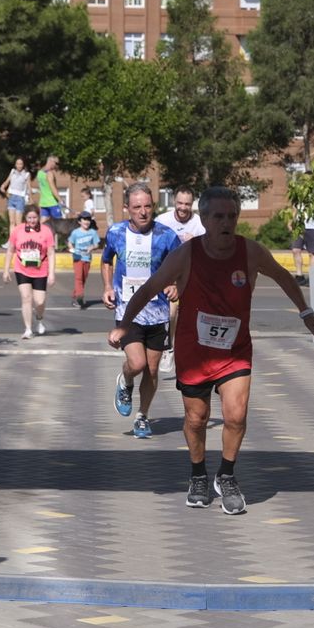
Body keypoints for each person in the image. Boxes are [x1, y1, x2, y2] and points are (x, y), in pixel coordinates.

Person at [112, 186, 314, 515]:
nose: (226, 223)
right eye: (218, 217)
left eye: (232, 216)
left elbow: (283, 276)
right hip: (194, 351)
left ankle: (226, 475)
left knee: (236, 416)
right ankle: (198, 475)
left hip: (234, 351)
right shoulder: (187, 254)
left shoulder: (250, 252)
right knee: (196, 419)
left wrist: (306, 313)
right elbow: (151, 287)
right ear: (205, 219)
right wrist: (125, 325)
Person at [101, 184, 183, 438]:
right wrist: (107, 287)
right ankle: (125, 381)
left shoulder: (167, 236)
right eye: (137, 207)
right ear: (127, 208)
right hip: (128, 312)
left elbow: (182, 266)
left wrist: (176, 285)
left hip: (157, 312)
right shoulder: (115, 233)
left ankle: (142, 417)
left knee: (153, 369)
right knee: (136, 364)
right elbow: (106, 260)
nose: (143, 212)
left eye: (147, 206)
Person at [155, 187, 206, 373]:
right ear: (174, 202)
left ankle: (195, 353)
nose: (183, 208)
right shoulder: (162, 221)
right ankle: (169, 348)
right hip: (171, 274)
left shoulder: (199, 224)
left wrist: (197, 241)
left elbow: (211, 249)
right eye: (180, 203)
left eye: (187, 204)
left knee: (194, 315)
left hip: (193, 274)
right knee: (171, 313)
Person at [3, 205, 56, 339]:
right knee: (26, 298)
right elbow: (10, 250)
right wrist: (6, 270)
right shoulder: (18, 230)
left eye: (35, 217)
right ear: (25, 218)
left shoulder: (46, 231)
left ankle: (39, 318)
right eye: (29, 218)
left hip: (40, 270)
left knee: (39, 301)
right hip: (22, 269)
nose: (32, 220)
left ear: (39, 217)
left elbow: (51, 253)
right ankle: (28, 329)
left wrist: (51, 273)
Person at [67, 211, 101, 310]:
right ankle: (80, 297)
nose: (86, 221)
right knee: (78, 278)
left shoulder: (93, 232)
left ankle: (75, 296)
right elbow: (70, 242)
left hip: (87, 258)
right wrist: (71, 249)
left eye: (88, 220)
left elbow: (97, 244)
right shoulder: (75, 232)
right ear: (79, 221)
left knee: (83, 279)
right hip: (78, 258)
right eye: (84, 219)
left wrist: (92, 247)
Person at [290, 209, 314, 282]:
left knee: (312, 253)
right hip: (299, 226)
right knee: (295, 250)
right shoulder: (299, 198)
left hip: (313, 227)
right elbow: (295, 208)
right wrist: (291, 221)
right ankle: (299, 275)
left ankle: (312, 277)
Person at [0, 157, 32, 228]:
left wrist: (30, 198)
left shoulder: (26, 174)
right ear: (15, 164)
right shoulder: (12, 172)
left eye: (21, 164)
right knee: (12, 222)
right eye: (17, 164)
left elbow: (29, 187)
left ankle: (19, 238)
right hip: (11, 197)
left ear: (23, 165)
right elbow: (7, 181)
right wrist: (3, 186)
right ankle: (12, 238)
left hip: (20, 198)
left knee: (18, 222)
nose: (19, 165)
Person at [37, 155, 64, 220]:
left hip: (43, 203)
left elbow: (41, 188)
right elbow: (52, 188)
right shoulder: (50, 173)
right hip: (52, 202)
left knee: (43, 225)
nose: (57, 165)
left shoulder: (39, 173)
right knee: (59, 224)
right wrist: (60, 200)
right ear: (50, 161)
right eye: (56, 163)